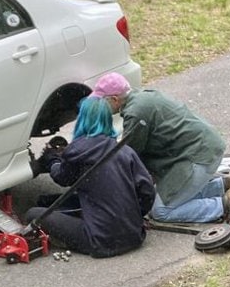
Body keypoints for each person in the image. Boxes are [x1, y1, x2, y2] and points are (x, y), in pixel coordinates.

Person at [89, 72, 230, 226]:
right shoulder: (145, 96)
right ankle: (224, 185)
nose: (100, 106)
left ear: (114, 99)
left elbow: (130, 155)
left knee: (161, 211)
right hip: (204, 148)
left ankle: (224, 205)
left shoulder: (135, 112)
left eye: (102, 101)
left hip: (196, 157)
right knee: (162, 196)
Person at [24, 97, 155, 258]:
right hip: (135, 236)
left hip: (100, 241)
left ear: (82, 119)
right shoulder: (125, 150)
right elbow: (147, 191)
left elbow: (62, 178)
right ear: (108, 120)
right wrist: (134, 215)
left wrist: (52, 159)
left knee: (33, 214)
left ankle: (69, 237)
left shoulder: (77, 151)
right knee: (48, 201)